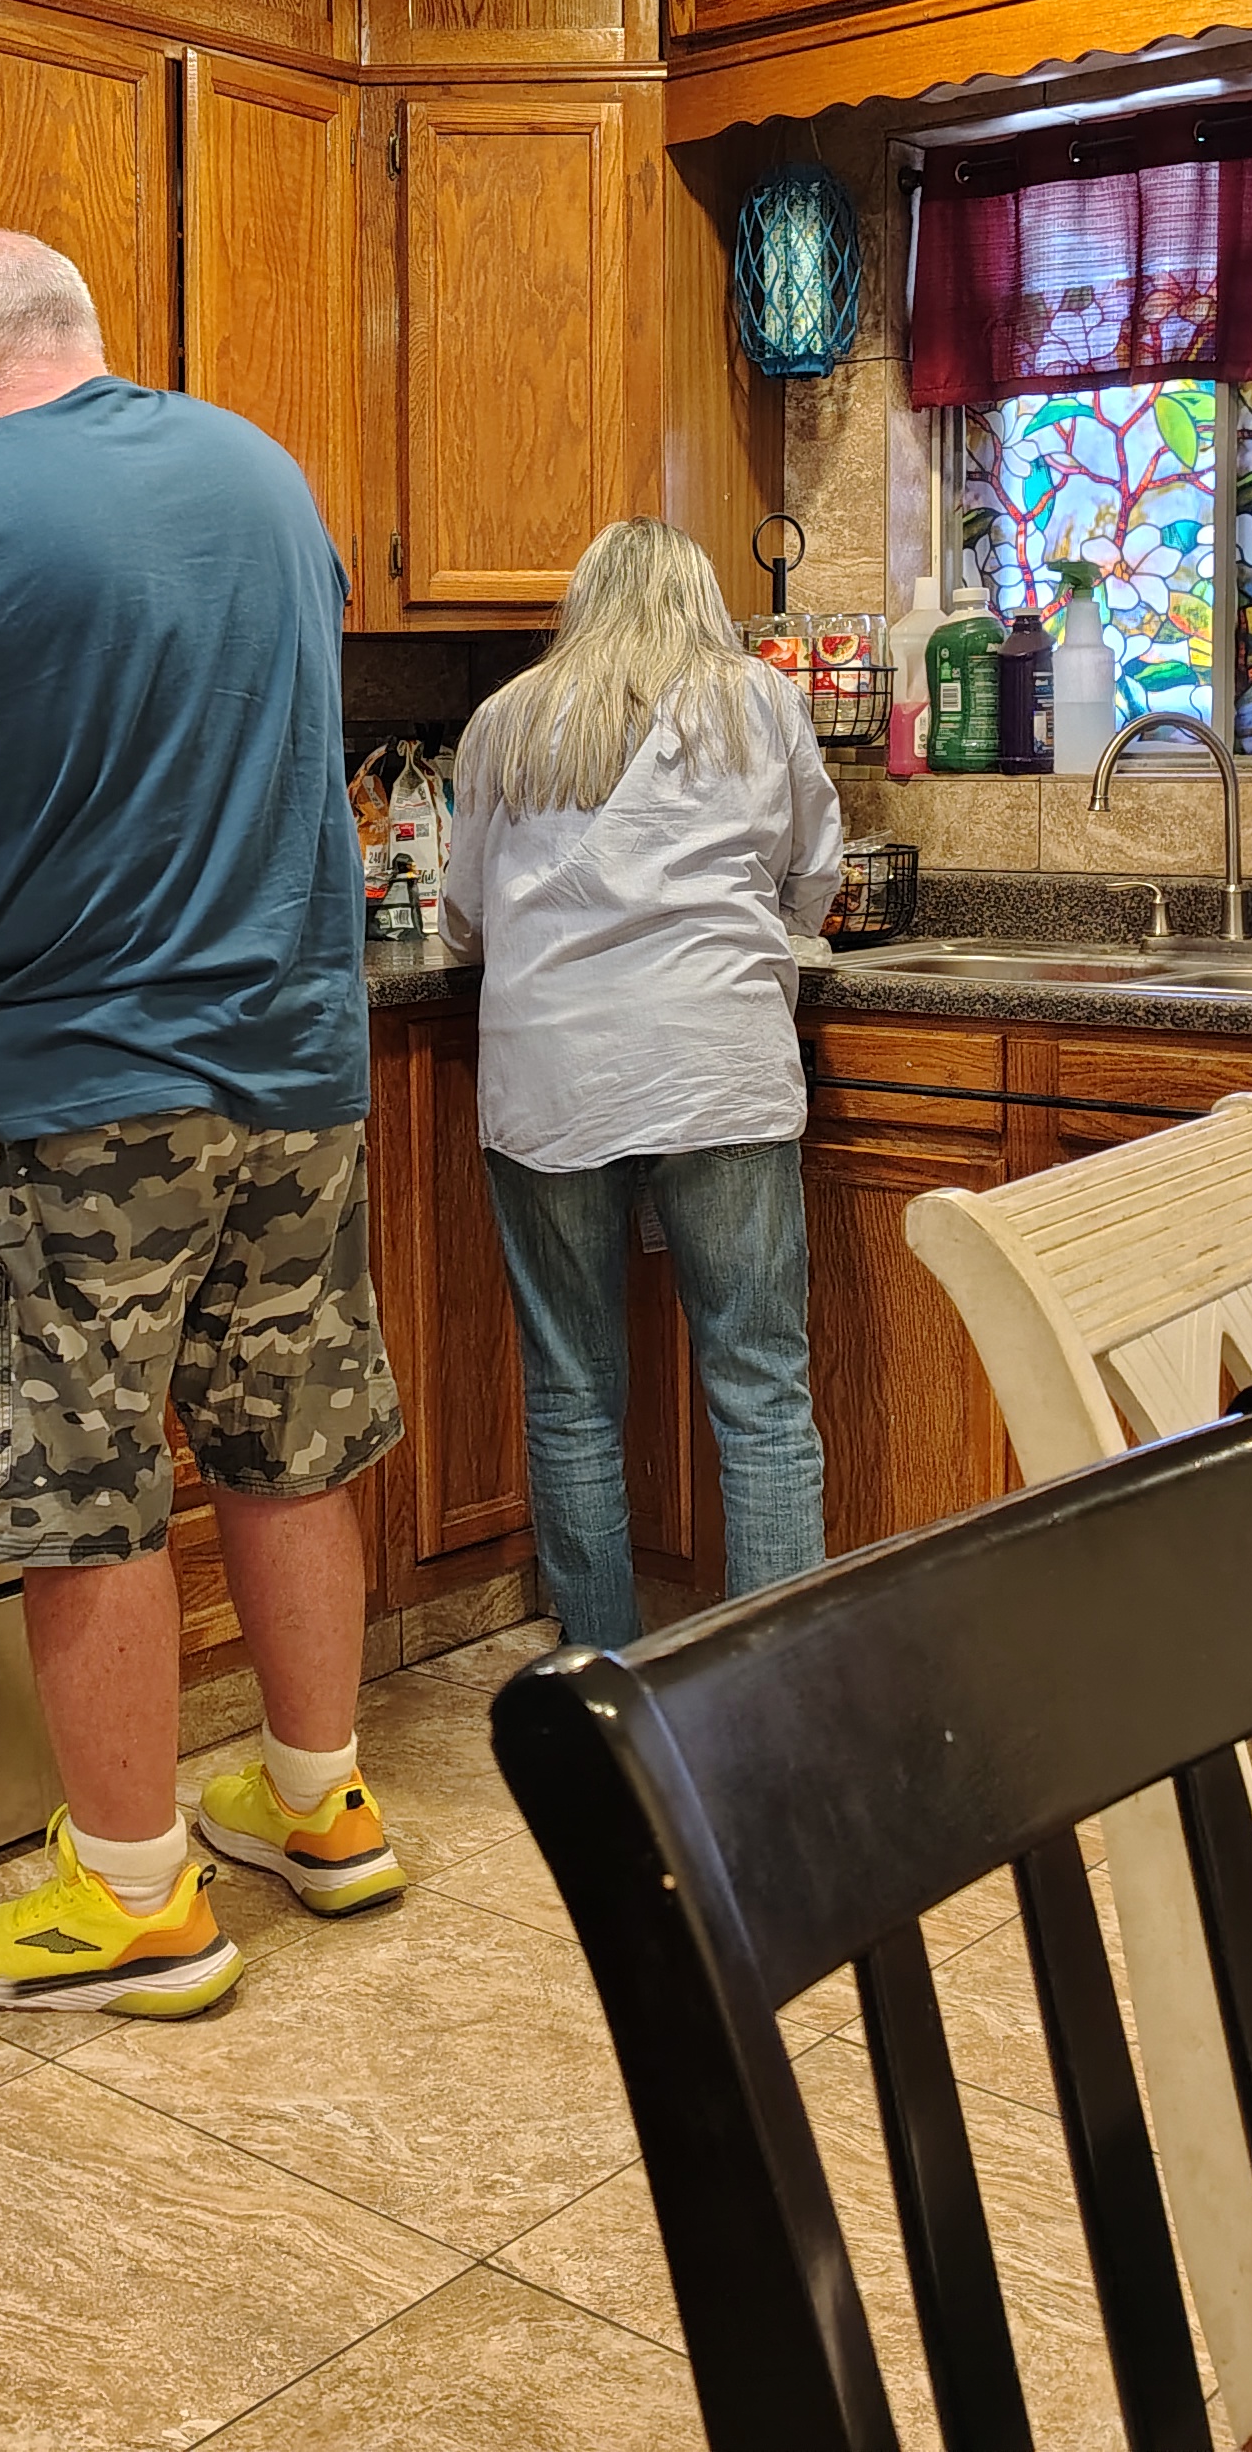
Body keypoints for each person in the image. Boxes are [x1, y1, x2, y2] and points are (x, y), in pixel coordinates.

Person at [0, 226, 406, 2024]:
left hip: (72, 1085)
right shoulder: (265, 474)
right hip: (293, 1062)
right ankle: (319, 1804)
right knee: (285, 1439)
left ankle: (134, 1901)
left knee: (78, 1479)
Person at [438, 515, 843, 1652]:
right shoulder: (757, 701)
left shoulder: (505, 721)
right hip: (717, 1065)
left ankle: (595, 1675)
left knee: (572, 1393)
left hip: (552, 1078)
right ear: (703, 601)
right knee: (759, 1389)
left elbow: (464, 919)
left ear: (578, 606)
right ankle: (771, 1683)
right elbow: (813, 875)